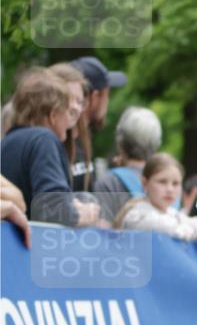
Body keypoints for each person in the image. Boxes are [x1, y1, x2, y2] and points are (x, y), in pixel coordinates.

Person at [0, 68, 99, 227]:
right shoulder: (44, 140)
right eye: (67, 111)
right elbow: (53, 208)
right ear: (53, 116)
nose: (71, 120)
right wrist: (84, 213)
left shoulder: (6, 143)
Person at [114, 154, 197, 246]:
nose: (170, 189)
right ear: (145, 183)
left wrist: (196, 230)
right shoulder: (136, 214)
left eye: (175, 183)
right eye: (162, 182)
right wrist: (191, 231)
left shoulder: (173, 214)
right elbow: (164, 227)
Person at [92, 106, 163, 222]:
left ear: (121, 142)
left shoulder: (108, 182)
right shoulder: (170, 182)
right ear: (156, 143)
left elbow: (103, 232)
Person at [70, 55, 127, 188]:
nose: (108, 101)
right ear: (94, 97)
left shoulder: (84, 137)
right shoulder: (62, 139)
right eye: (107, 94)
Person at [47, 63, 90, 190]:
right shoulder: (40, 144)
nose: (76, 108)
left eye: (80, 102)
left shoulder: (75, 142)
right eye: (70, 98)